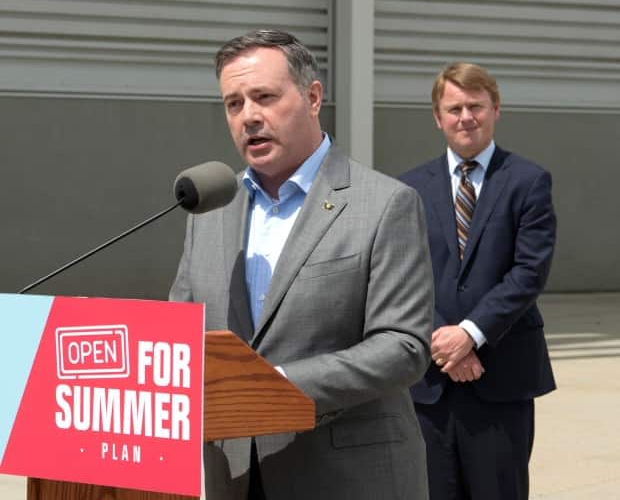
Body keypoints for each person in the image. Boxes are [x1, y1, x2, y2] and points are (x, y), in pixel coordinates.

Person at [169, 29, 434, 500]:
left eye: (264, 97)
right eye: (233, 104)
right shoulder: (210, 210)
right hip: (233, 474)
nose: (249, 116)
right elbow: (180, 332)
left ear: (313, 97)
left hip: (342, 475)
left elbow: (403, 346)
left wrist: (277, 387)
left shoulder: (386, 203)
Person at [400, 62, 556, 500]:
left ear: (496, 109)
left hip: (501, 374)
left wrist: (470, 334)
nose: (465, 117)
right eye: (454, 108)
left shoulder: (528, 181)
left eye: (476, 106)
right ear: (437, 117)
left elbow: (529, 272)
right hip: (430, 380)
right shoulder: (409, 188)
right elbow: (402, 274)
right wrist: (442, 341)